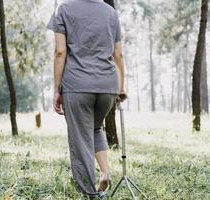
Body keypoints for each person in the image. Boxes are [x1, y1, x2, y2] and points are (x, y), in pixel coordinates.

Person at [46, 0, 127, 199]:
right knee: (94, 128)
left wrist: (57, 88)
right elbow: (119, 54)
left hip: (78, 85)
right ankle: (105, 173)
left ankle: (89, 194)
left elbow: (60, 52)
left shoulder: (63, 9)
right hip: (107, 86)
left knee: (80, 139)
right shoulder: (110, 12)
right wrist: (121, 86)